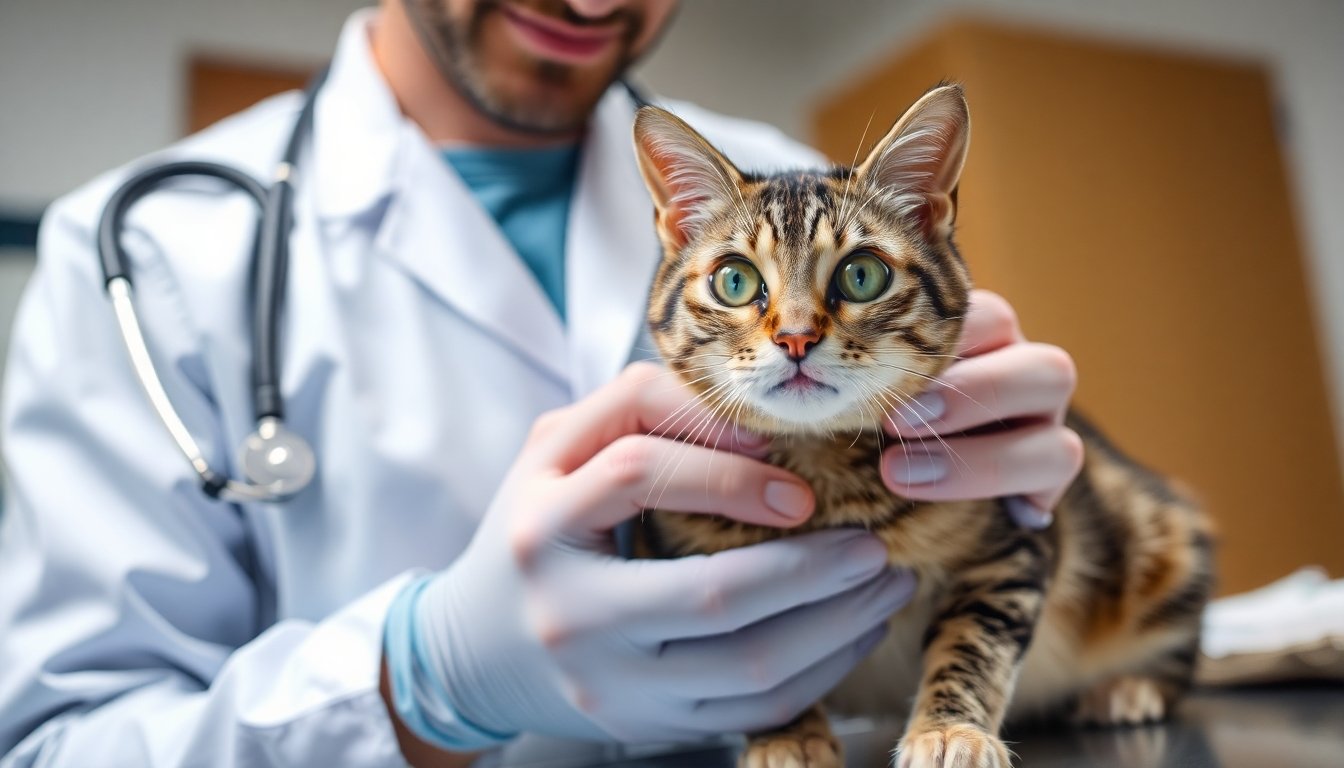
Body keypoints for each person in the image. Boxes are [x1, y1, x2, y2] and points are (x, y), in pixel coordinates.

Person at [0, 1, 1082, 766]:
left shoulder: (770, 179)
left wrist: (1007, 471)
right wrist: (421, 684)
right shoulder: (146, 248)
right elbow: (56, 743)